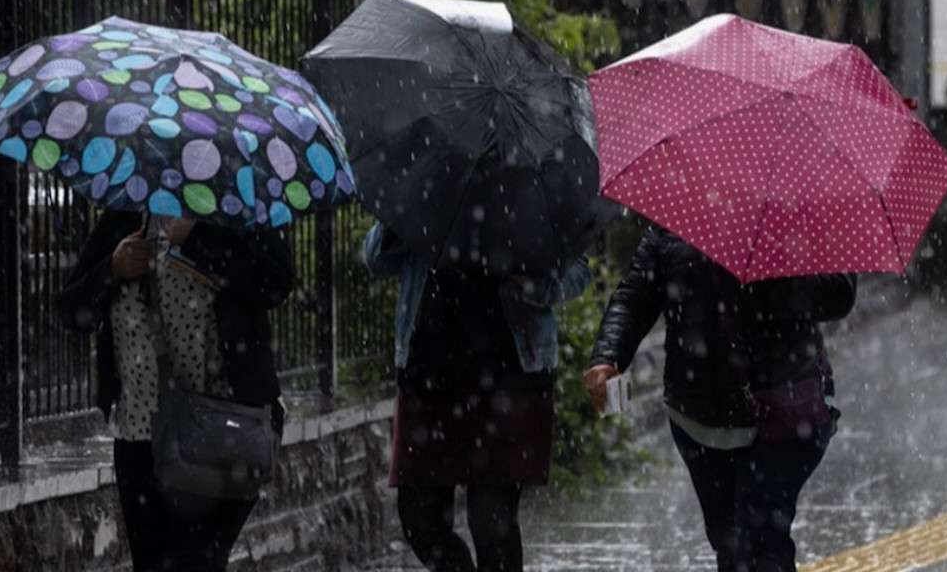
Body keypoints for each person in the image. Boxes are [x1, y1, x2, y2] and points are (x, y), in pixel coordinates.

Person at [584, 227, 857, 572]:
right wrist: (606, 357)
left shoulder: (794, 213)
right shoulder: (676, 224)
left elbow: (841, 293)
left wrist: (774, 276)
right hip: (699, 418)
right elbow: (633, 298)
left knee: (761, 543)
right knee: (729, 542)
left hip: (786, 410)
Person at [58, 210, 293, 572]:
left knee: (194, 560)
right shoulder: (127, 216)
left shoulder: (235, 209)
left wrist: (198, 238)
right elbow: (71, 311)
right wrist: (112, 269)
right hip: (140, 436)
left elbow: (276, 281)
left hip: (219, 431)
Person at [362, 221, 590, 572]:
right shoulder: (430, 176)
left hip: (508, 380)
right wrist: (398, 222)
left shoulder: (531, 180)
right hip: (428, 377)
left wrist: (526, 278)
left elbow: (577, 272)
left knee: (491, 525)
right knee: (420, 521)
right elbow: (376, 259)